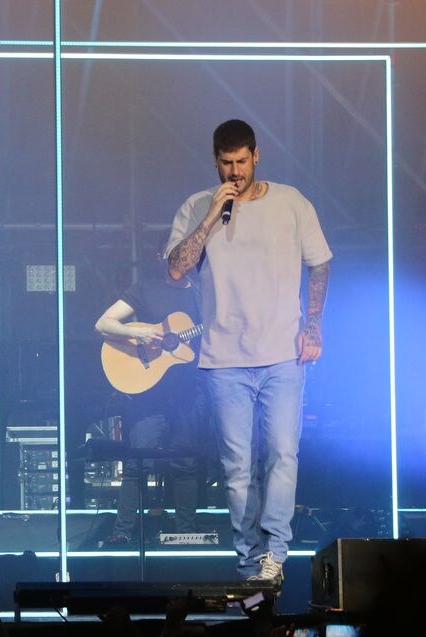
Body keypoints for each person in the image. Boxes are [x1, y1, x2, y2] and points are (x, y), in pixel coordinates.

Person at [165, 119, 332, 584]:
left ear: (256, 155)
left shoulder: (290, 202)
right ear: (215, 161)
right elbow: (176, 270)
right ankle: (248, 562)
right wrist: (208, 220)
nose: (234, 173)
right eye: (225, 164)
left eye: (241, 162)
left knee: (282, 453)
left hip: (282, 353)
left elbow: (319, 263)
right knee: (237, 467)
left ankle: (275, 553)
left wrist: (313, 325)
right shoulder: (199, 205)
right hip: (224, 359)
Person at [94, 253, 208, 545]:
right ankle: (122, 531)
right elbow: (103, 324)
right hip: (147, 393)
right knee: (137, 462)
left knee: (185, 463)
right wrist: (140, 333)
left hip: (188, 392)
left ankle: (185, 535)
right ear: (163, 256)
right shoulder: (145, 288)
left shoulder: (203, 293)